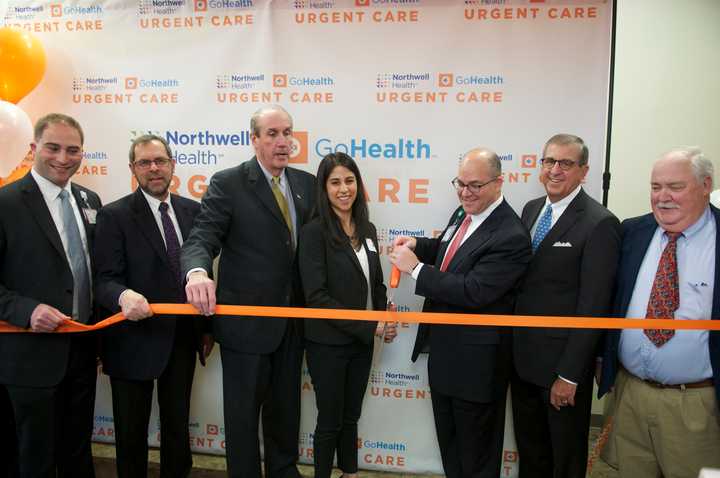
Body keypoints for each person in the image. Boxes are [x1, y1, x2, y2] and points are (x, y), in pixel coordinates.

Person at [181, 105, 316, 478]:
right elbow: (202, 237)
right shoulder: (229, 182)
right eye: (271, 133)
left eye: (287, 132)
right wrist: (196, 272)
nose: (282, 141)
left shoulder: (306, 184)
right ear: (253, 139)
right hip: (245, 328)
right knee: (242, 420)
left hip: (293, 325)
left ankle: (284, 472)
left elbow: (324, 249)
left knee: (286, 414)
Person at [390, 148, 532, 478]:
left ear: (499, 183)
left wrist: (417, 271)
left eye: (475, 185)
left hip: (477, 369)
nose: (465, 192)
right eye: (460, 183)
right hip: (445, 358)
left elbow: (473, 290)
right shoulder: (463, 213)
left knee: (477, 457)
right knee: (451, 451)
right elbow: (448, 252)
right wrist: (417, 244)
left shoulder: (511, 235)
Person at [93, 134, 214, 478]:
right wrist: (122, 296)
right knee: (131, 434)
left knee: (178, 426)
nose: (154, 168)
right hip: (131, 339)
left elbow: (201, 272)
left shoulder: (194, 211)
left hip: (181, 338)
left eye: (160, 160)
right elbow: (103, 279)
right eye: (144, 162)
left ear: (173, 164)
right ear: (133, 169)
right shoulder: (113, 215)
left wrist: (206, 328)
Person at [599, 147, 720, 478]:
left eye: (675, 187)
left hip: (696, 406)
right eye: (656, 187)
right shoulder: (631, 232)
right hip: (630, 394)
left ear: (706, 184)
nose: (663, 197)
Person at [511, 134, 621, 478]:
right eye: (549, 162)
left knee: (565, 461)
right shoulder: (531, 210)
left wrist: (570, 376)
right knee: (531, 455)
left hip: (562, 370)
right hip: (522, 362)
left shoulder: (599, 222)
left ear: (583, 171)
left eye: (565, 163)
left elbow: (594, 306)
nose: (555, 170)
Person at [0, 113, 102, 477]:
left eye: (72, 150)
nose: (63, 158)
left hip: (82, 350)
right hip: (30, 354)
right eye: (53, 147)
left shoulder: (91, 200)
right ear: (33, 149)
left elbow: (95, 271)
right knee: (33, 457)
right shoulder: (6, 202)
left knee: (77, 451)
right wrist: (26, 311)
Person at [298, 152, 397, 478]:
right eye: (335, 182)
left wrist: (384, 317)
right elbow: (317, 297)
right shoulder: (314, 233)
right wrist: (372, 326)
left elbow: (377, 284)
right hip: (328, 343)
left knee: (351, 416)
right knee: (330, 420)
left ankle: (350, 473)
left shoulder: (367, 228)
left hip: (363, 341)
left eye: (350, 180)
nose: (344, 189)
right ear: (324, 189)